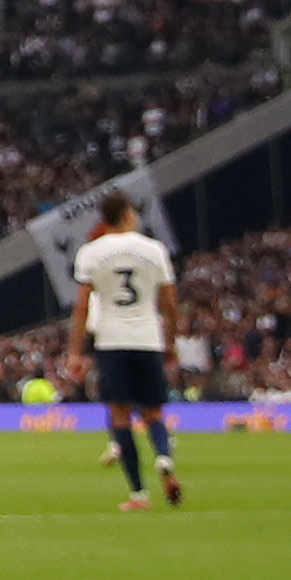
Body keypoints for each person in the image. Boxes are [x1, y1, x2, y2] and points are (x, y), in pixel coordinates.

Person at [64, 192, 181, 511]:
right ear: (128, 214)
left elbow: (83, 305)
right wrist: (171, 341)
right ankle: (163, 458)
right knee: (154, 412)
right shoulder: (153, 249)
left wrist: (75, 350)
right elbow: (169, 302)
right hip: (147, 338)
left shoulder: (91, 253)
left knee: (119, 415)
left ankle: (139, 495)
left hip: (112, 341)